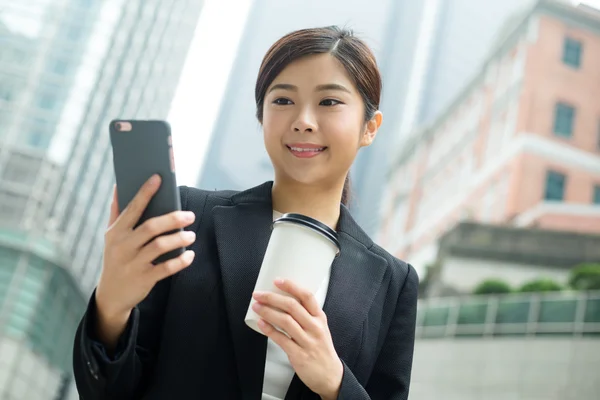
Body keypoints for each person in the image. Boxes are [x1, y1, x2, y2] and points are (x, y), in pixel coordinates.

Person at [73, 25, 418, 400]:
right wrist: (111, 305)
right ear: (261, 118)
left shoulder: (393, 283)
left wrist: (334, 381)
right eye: (283, 101)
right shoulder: (189, 217)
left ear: (370, 127)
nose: (303, 120)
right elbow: (109, 391)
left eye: (329, 102)